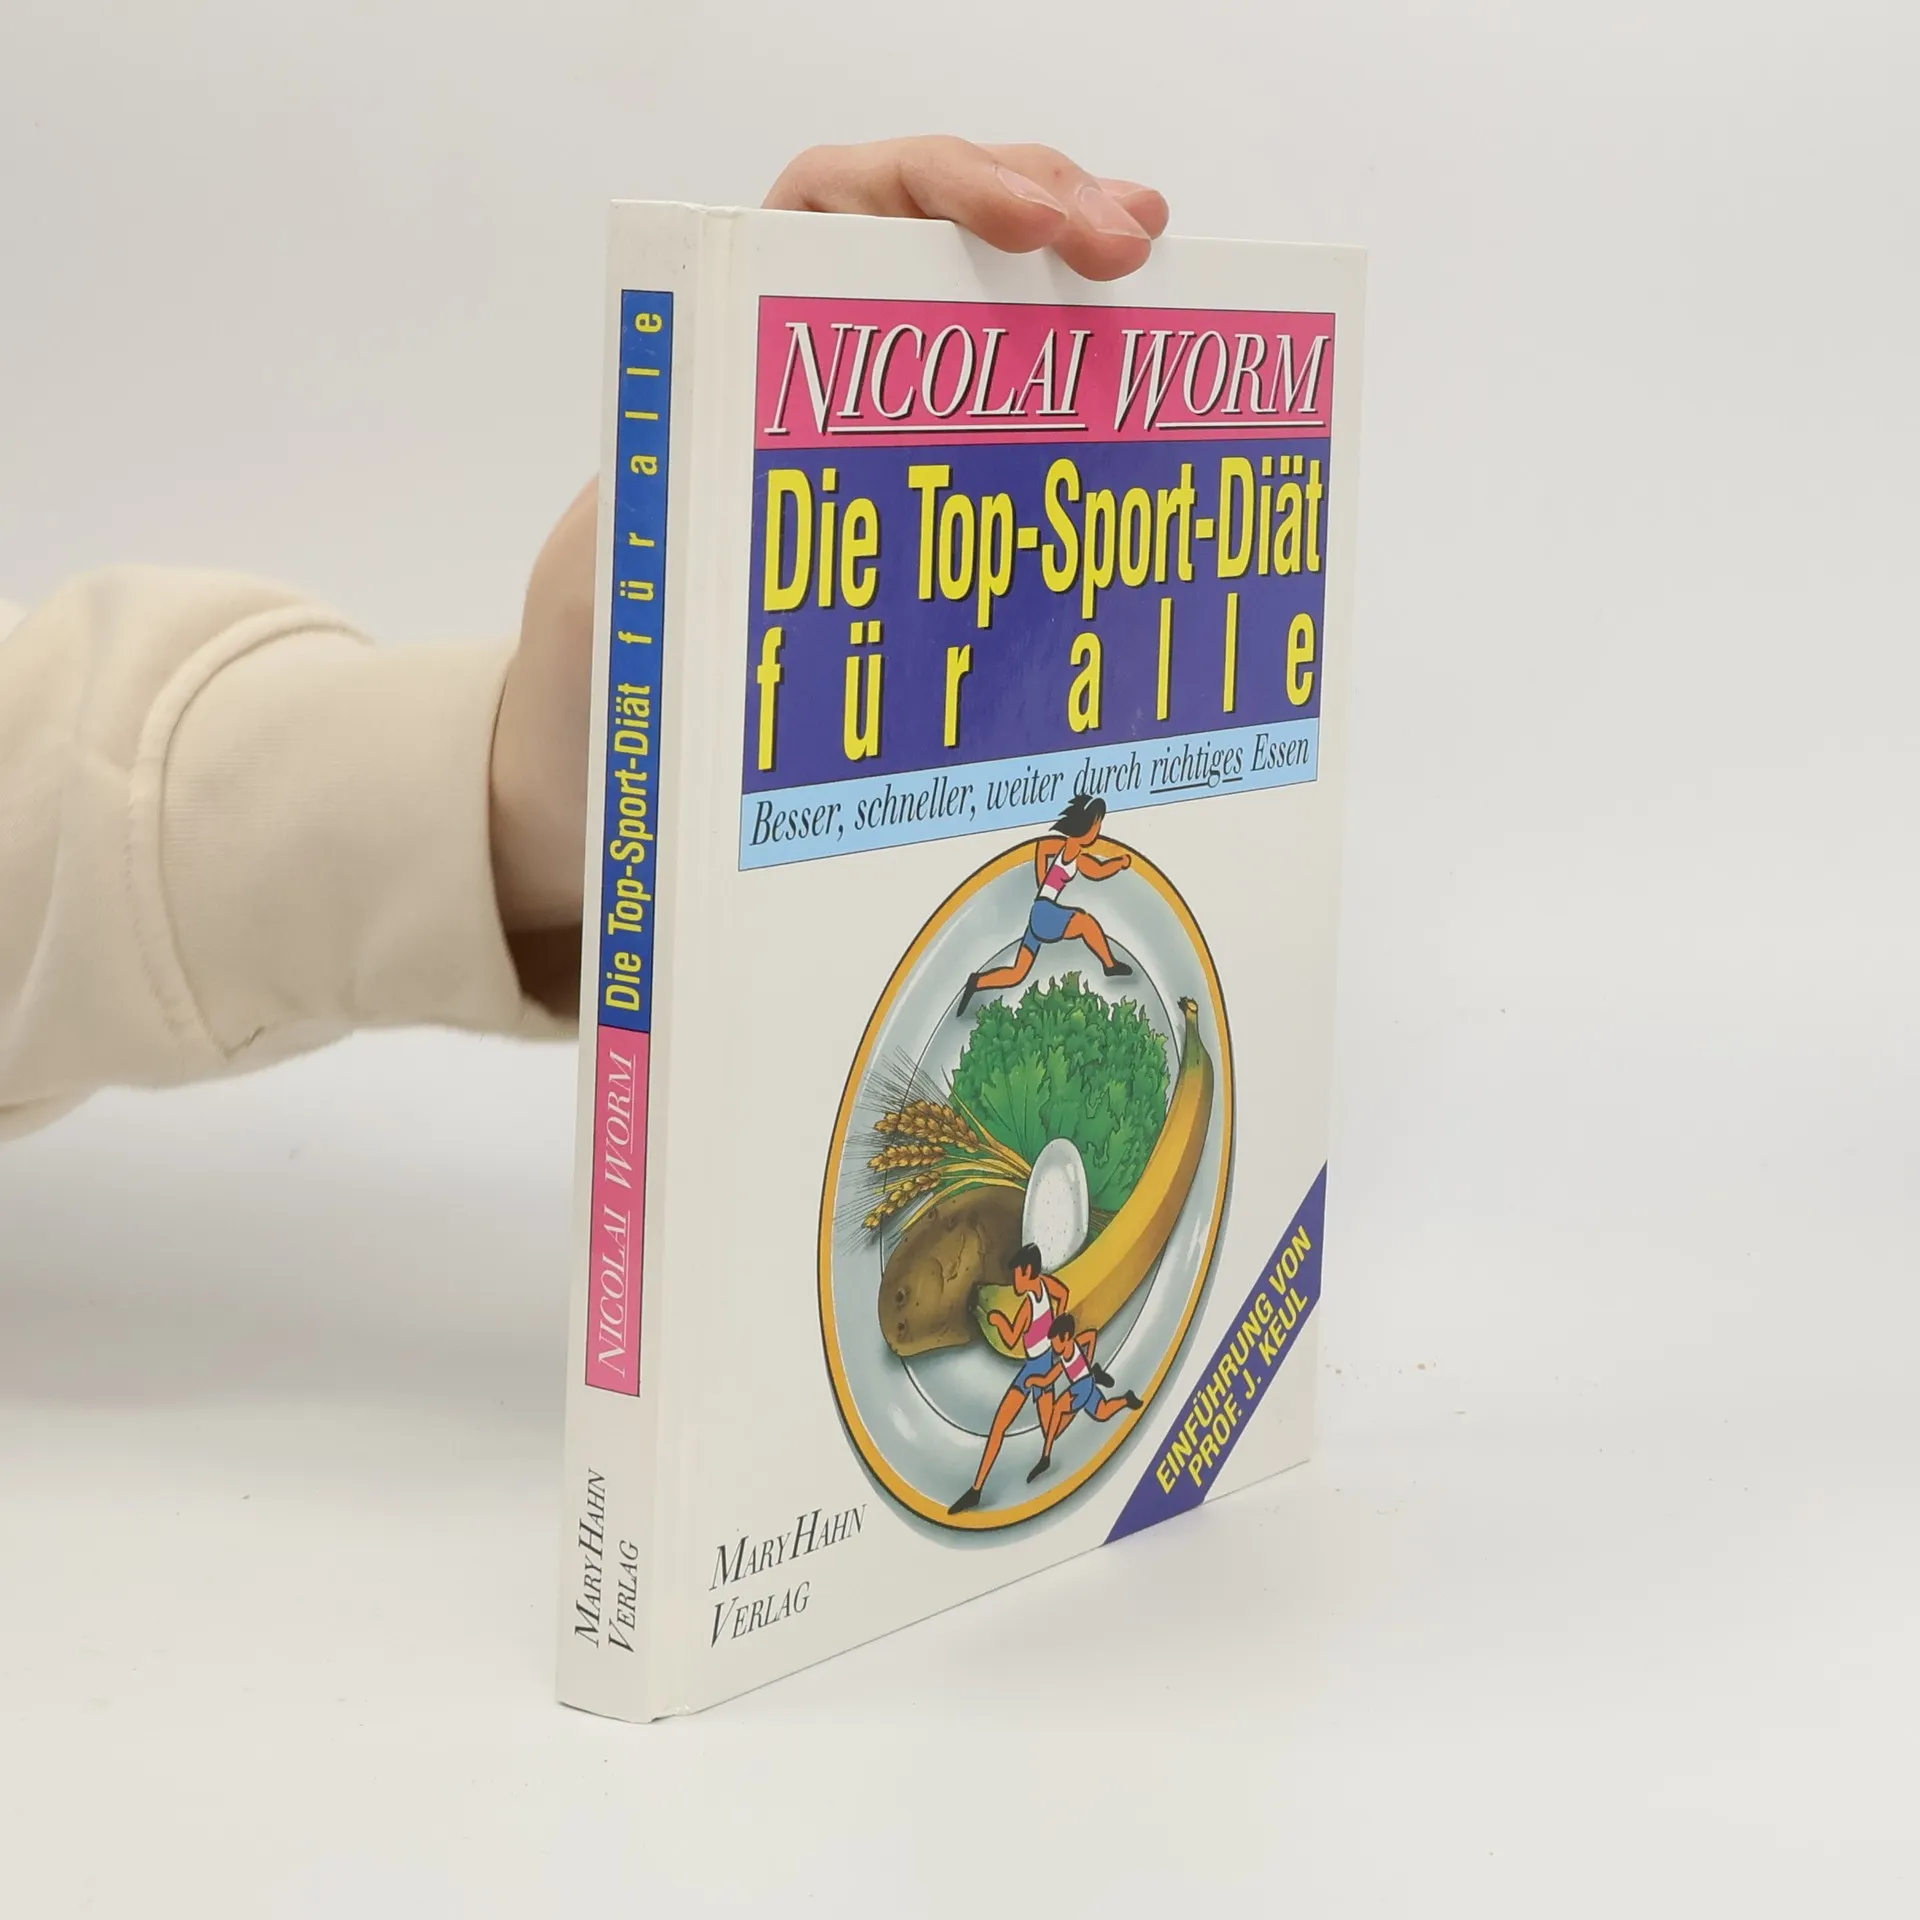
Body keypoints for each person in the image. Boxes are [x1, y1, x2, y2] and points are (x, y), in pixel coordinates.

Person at [0, 140, 1167, 1140]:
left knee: (1042, 954)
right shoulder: (1064, 871)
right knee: (1028, 960)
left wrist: (512, 790)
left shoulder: (1070, 860)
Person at [956, 794, 1134, 1018]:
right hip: (1044, 912)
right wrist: (1120, 862)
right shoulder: (1077, 857)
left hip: (1038, 911)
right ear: (1086, 827)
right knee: (1085, 923)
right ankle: (1109, 964)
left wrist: (1042, 882)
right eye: (1097, 824)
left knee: (1017, 973)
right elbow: (1098, 871)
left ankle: (977, 982)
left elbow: (1042, 848)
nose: (1098, 830)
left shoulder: (1060, 846)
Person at [946, 1243, 1068, 1516]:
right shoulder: (1046, 1287)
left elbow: (1012, 1340)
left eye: (1017, 1275)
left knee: (1027, 1426)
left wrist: (1000, 1321)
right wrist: (1054, 1328)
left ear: (1028, 1271)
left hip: (1038, 1368)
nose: (1014, 1281)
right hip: (1038, 1365)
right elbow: (1063, 1295)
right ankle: (978, 1488)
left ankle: (978, 1489)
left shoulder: (1028, 1306)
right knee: (1022, 1424)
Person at [1024, 1313, 1141, 1483]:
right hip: (1087, 1387)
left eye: (1055, 1341)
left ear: (1065, 1337)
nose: (1053, 1346)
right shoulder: (1063, 1360)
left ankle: (1045, 1457)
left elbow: (1092, 1335)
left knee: (1058, 1409)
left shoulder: (1074, 1345)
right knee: (1103, 1412)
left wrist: (1089, 1363)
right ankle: (1126, 1400)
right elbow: (1048, 1379)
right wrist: (1033, 1380)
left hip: (1082, 1386)